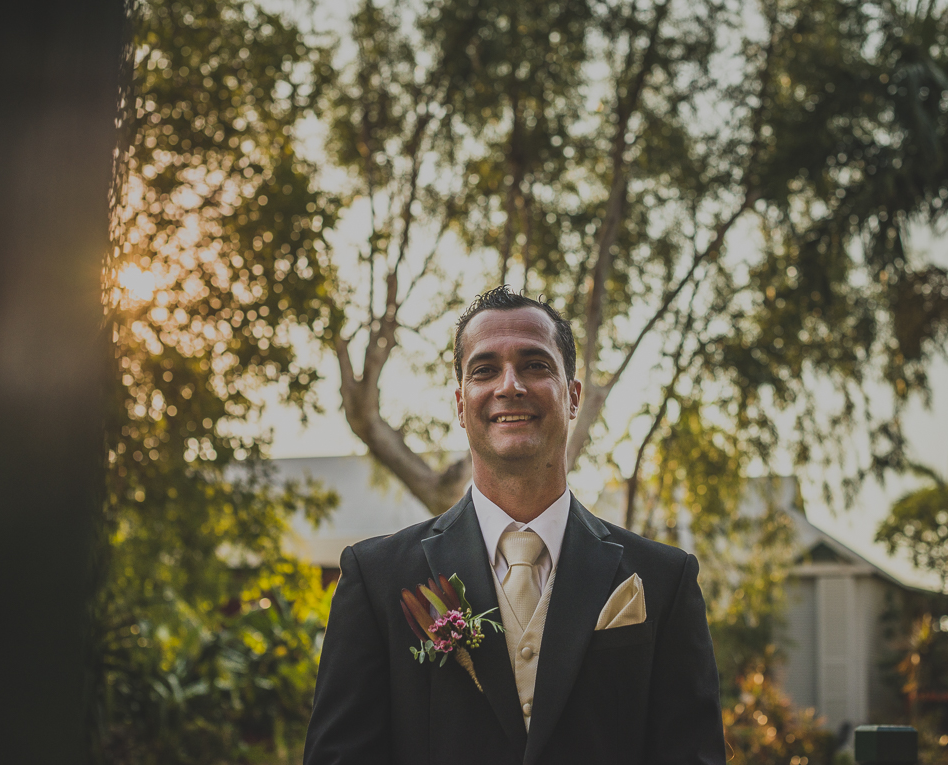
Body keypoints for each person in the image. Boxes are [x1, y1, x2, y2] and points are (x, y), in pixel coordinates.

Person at [303, 287, 725, 765]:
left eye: (535, 365)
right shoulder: (377, 577)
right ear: (461, 405)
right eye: (485, 370)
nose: (510, 385)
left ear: (573, 397)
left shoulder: (665, 579)